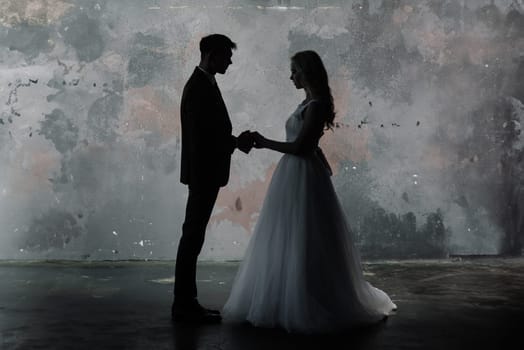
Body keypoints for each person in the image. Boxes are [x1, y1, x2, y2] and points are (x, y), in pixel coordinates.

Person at [222, 50, 397, 333]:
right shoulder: (308, 103)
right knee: (292, 235)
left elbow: (301, 148)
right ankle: (288, 295)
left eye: (295, 71)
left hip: (300, 174)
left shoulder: (315, 105)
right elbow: (310, 145)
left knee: (303, 236)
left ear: (306, 72)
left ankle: (304, 298)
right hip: (296, 174)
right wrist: (322, 161)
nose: (291, 76)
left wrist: (264, 142)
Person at [173, 34, 253, 323]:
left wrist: (233, 142)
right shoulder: (197, 88)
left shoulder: (203, 83)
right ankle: (184, 303)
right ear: (210, 55)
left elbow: (209, 134)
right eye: (225, 56)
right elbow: (204, 140)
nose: (230, 61)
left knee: (193, 235)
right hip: (204, 175)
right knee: (192, 236)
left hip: (205, 174)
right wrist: (236, 143)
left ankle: (185, 302)